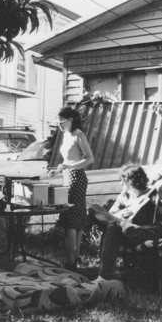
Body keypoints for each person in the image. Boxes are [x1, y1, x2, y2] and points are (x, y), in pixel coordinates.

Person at [93, 163, 162, 281]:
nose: (120, 183)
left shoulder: (153, 194)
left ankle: (104, 276)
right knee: (95, 210)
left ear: (130, 181)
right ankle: (104, 278)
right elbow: (111, 215)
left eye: (122, 180)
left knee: (115, 226)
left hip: (144, 232)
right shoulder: (124, 196)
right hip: (124, 231)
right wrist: (122, 215)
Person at [48, 106, 94, 270]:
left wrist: (69, 166)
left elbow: (90, 159)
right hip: (67, 176)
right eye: (58, 122)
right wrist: (60, 168)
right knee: (75, 219)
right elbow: (68, 159)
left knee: (72, 220)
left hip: (77, 178)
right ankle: (74, 258)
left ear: (70, 120)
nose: (59, 125)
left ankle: (71, 262)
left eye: (61, 122)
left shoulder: (78, 135)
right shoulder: (66, 135)